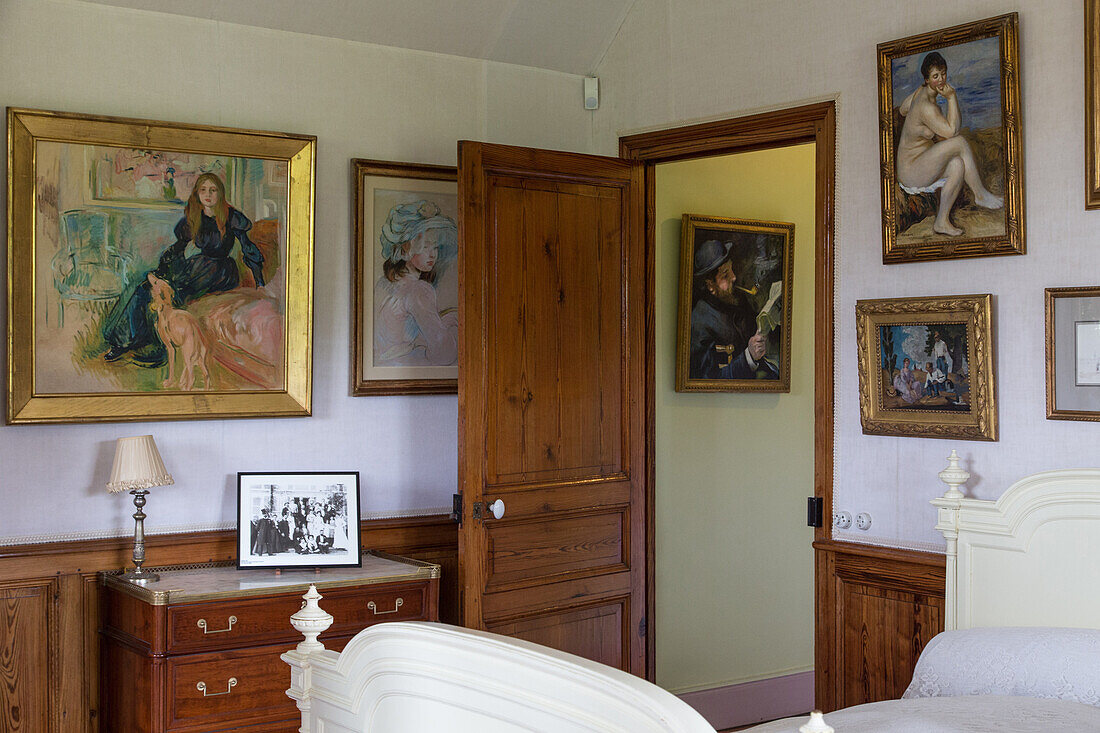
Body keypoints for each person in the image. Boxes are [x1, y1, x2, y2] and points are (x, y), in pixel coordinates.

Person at [102, 172, 265, 366]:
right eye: (203, 190)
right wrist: (161, 272)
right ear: (197, 193)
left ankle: (161, 350)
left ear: (220, 194)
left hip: (220, 272)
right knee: (145, 287)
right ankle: (124, 341)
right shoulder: (194, 216)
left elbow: (249, 250)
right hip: (198, 266)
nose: (208, 195)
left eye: (213, 190)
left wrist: (260, 282)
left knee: (172, 294)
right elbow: (178, 248)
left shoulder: (232, 217)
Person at [896, 51, 1003, 237]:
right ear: (927, 79)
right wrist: (952, 98)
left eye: (943, 73)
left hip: (919, 162)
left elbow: (904, 110)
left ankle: (941, 221)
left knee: (957, 165)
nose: (941, 80)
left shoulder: (920, 92)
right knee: (960, 142)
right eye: (935, 76)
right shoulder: (926, 107)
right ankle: (979, 194)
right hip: (911, 170)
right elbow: (952, 132)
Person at [374, 200, 459, 367]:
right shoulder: (419, 289)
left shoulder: (384, 283)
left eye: (435, 247)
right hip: (404, 366)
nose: (433, 254)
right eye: (425, 246)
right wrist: (448, 324)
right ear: (406, 248)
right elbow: (445, 354)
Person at [688, 239, 777, 380]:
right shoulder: (699, 323)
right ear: (710, 285)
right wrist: (749, 357)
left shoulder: (737, 300)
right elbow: (707, 381)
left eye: (731, 270)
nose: (734, 277)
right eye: (725, 275)